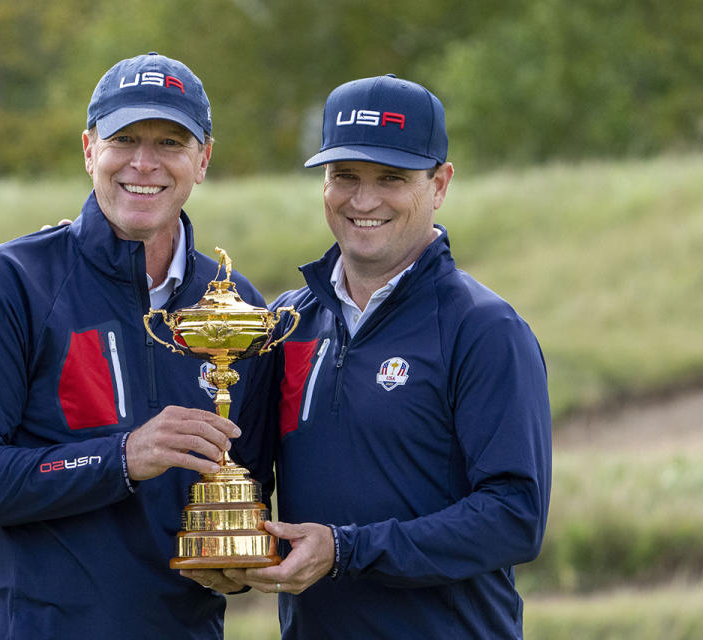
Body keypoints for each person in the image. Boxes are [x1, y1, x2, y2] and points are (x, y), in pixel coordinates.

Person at [188, 75, 553, 638]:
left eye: (392, 178)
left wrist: (345, 549)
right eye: (344, 177)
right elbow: (248, 480)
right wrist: (231, 559)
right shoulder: (286, 323)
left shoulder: (484, 328)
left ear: (440, 183)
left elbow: (514, 518)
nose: (363, 200)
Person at [0, 52, 266, 639]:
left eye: (170, 143)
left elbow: (246, 487)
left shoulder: (234, 306)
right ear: (89, 150)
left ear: (202, 159)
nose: (144, 163)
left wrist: (235, 568)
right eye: (124, 138)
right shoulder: (6, 282)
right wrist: (121, 457)